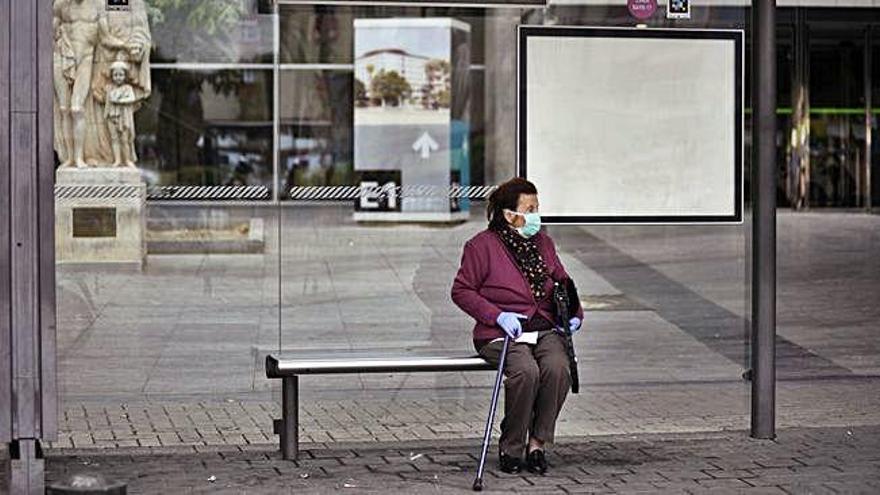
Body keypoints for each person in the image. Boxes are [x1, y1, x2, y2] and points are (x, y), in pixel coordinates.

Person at [451, 177, 584, 475]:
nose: (537, 214)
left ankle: (537, 443)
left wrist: (574, 315)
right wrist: (497, 316)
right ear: (510, 215)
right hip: (501, 332)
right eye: (530, 208)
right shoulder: (481, 246)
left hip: (545, 327)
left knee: (557, 368)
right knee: (526, 372)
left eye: (538, 207)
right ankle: (511, 446)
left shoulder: (544, 244)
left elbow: (563, 283)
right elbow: (461, 290)